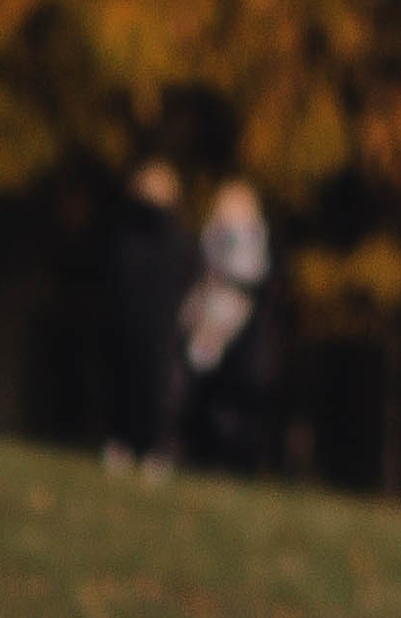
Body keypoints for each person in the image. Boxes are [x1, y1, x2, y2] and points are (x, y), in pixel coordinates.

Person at [174, 177, 282, 477]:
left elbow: (260, 288)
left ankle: (236, 464)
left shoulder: (261, 251)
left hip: (242, 343)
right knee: (201, 398)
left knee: (234, 408)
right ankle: (201, 456)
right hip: (205, 329)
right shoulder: (208, 241)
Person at [102, 157, 193, 473]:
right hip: (129, 320)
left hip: (162, 325)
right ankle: (122, 443)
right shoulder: (125, 234)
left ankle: (156, 448)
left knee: (156, 387)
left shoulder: (175, 239)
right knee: (124, 382)